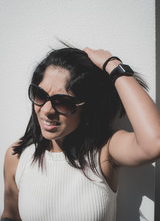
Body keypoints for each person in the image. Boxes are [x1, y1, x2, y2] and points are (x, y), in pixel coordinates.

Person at [1, 46, 160, 221]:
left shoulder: (104, 151)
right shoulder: (17, 156)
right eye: (39, 95)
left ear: (87, 109)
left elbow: (154, 143)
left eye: (62, 102)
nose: (46, 110)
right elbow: (11, 215)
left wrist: (114, 66)